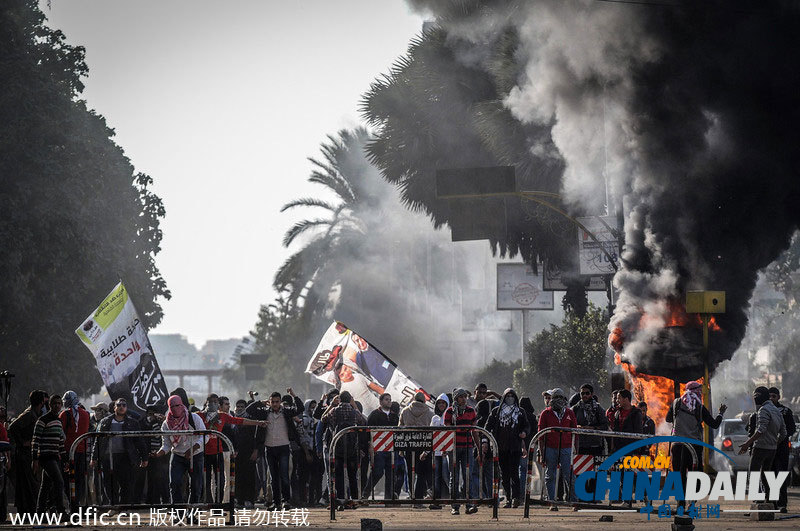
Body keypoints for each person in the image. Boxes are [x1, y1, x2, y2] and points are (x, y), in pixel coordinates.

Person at [666, 381, 726, 507]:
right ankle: (692, 501)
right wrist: (721, 413)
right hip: (693, 447)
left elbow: (668, 419)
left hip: (677, 445)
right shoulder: (699, 407)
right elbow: (714, 424)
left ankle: (680, 502)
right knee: (695, 474)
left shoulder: (676, 402)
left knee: (678, 473)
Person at [198, 393, 264, 503]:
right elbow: (186, 418)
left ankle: (219, 504)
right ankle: (209, 502)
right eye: (211, 402)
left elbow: (240, 420)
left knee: (221, 480)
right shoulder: (199, 416)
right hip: (205, 453)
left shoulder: (222, 416)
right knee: (207, 480)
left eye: (215, 402)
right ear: (206, 403)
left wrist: (258, 423)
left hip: (218, 452)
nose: (213, 404)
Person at [246, 389, 303, 510]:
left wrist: (293, 395)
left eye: (277, 402)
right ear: (270, 402)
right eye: (272, 402)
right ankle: (276, 503)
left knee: (284, 476)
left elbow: (300, 408)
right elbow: (249, 410)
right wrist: (261, 402)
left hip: (284, 447)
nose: (275, 404)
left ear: (280, 402)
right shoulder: (264, 413)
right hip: (269, 448)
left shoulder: (287, 412)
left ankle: (286, 501)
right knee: (273, 478)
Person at [91, 398, 149, 505]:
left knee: (126, 483)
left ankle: (123, 506)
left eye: (124, 405)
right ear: (114, 408)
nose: (121, 407)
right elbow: (98, 441)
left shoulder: (133, 423)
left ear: (126, 408)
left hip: (126, 457)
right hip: (108, 457)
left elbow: (139, 441)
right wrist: (94, 457)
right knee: (108, 483)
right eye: (119, 405)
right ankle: (113, 506)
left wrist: (144, 458)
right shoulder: (105, 422)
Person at [154, 395, 206, 503]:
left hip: (195, 455)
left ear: (182, 405)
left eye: (177, 405)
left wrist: (193, 449)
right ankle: (178, 512)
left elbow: (205, 436)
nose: (175, 408)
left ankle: (192, 513)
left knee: (196, 485)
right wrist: (158, 454)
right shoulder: (166, 424)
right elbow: (167, 444)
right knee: (175, 483)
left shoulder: (194, 418)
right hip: (178, 455)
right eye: (172, 406)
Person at [738, 386, 786, 505]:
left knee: (753, 475)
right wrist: (775, 442)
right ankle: (771, 503)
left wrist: (747, 444)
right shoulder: (776, 410)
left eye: (755, 397)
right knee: (766, 476)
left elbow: (761, 429)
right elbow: (784, 432)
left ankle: (758, 503)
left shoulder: (763, 410)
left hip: (760, 448)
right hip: (772, 449)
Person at [319, 390, 365, 510]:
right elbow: (363, 421)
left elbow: (323, 419)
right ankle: (354, 501)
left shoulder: (334, 411)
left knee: (338, 475)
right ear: (350, 399)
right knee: (352, 476)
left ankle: (340, 501)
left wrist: (331, 406)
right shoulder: (354, 412)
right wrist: (354, 405)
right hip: (351, 448)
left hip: (337, 447)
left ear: (339, 399)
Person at [485, 388, 529, 508]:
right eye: (508, 396)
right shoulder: (496, 412)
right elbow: (487, 427)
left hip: (515, 448)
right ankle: (509, 498)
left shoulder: (520, 412)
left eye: (512, 396)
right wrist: (486, 442)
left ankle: (516, 498)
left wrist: (524, 433)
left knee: (514, 473)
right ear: (504, 397)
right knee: (504, 475)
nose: (510, 398)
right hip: (501, 448)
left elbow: (526, 426)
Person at [8, 390, 48, 514]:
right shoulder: (29, 415)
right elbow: (12, 428)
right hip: (25, 454)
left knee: (31, 483)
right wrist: (22, 442)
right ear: (41, 401)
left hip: (30, 454)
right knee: (29, 484)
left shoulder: (36, 414)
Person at [537, 388, 576, 509]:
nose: (558, 400)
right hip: (550, 448)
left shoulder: (570, 413)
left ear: (564, 399)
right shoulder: (546, 413)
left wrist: (576, 449)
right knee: (551, 475)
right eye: (555, 397)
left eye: (560, 397)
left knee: (569, 475)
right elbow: (541, 435)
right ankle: (552, 502)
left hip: (566, 448)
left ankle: (574, 501)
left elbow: (575, 432)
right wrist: (541, 452)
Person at [443, 388, 479, 515]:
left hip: (468, 447)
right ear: (456, 398)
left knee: (467, 476)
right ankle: (455, 506)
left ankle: (469, 504)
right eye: (461, 397)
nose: (464, 399)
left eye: (465, 396)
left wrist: (479, 448)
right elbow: (447, 431)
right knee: (454, 477)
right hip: (454, 448)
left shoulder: (471, 411)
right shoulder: (449, 411)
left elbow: (474, 431)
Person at [398, 391, 434, 507]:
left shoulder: (405, 411)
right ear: (424, 401)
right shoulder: (429, 413)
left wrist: (401, 449)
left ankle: (412, 495)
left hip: (408, 445)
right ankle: (419, 498)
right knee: (421, 473)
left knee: (410, 471)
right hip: (424, 446)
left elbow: (400, 429)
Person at [32, 393, 66, 513]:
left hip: (55, 457)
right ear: (50, 405)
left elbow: (60, 442)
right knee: (59, 482)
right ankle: (60, 511)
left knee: (45, 486)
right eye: (54, 403)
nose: (57, 405)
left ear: (61, 405)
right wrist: (35, 459)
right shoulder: (42, 420)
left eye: (59, 403)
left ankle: (39, 511)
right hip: (45, 457)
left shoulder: (58, 421)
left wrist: (64, 458)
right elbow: (35, 440)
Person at [363, 393, 398, 500]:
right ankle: (366, 494)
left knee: (391, 474)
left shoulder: (394, 416)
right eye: (386, 399)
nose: (389, 401)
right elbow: (368, 433)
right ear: (381, 401)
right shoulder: (374, 415)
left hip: (391, 449)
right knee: (377, 472)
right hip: (378, 450)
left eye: (390, 399)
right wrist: (370, 447)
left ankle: (389, 499)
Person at [766, 387, 795, 512]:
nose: (772, 399)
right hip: (768, 448)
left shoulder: (785, 411)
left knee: (781, 475)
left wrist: (780, 437)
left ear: (778, 397)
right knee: (769, 475)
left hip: (781, 448)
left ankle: (782, 503)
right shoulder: (764, 410)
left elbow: (791, 429)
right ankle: (772, 503)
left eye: (774, 396)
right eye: (769, 396)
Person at [59, 391, 90, 506]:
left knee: (67, 479)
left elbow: (60, 433)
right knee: (79, 480)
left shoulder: (64, 414)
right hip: (81, 451)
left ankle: (74, 505)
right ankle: (78, 504)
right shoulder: (86, 413)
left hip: (67, 451)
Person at [428, 393, 450, 510]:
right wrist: (426, 452)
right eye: (439, 403)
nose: (441, 405)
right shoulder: (435, 418)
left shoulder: (450, 417)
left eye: (443, 403)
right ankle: (437, 501)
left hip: (447, 452)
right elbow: (431, 436)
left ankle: (455, 499)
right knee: (437, 477)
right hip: (437, 452)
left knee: (447, 477)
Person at [573, 384, 608, 455]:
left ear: (592, 394)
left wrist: (591, 428)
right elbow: (570, 425)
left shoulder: (598, 409)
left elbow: (605, 426)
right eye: (582, 393)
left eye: (587, 393)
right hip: (580, 445)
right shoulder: (575, 409)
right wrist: (577, 427)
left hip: (595, 445)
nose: (584, 395)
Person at [518, 397, 536, 503]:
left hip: (519, 445)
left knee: (520, 470)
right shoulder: (532, 417)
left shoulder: (519, 415)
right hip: (530, 446)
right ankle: (525, 494)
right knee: (526, 471)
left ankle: (519, 494)